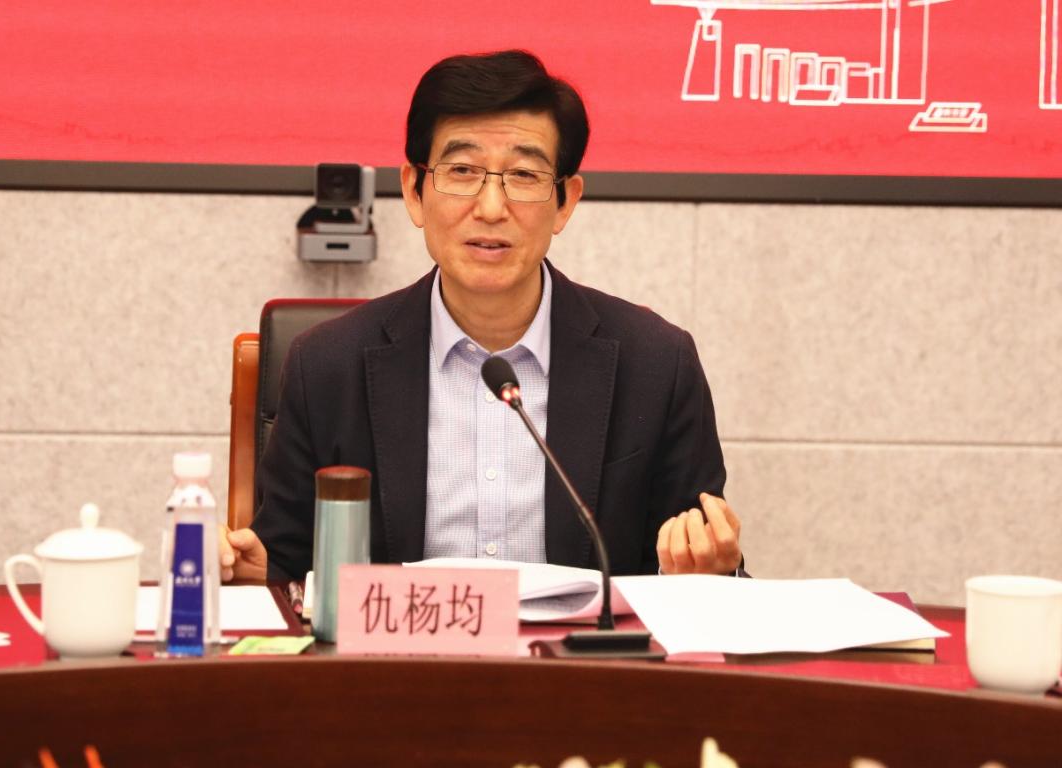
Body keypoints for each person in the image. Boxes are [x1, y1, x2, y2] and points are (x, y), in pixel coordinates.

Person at [221, 49, 742, 583]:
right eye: (462, 171)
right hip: (398, 641)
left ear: (565, 202)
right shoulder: (327, 366)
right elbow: (283, 564)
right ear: (413, 191)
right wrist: (250, 571)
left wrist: (710, 570)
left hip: (581, 642)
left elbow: (703, 567)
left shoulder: (656, 364)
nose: (491, 208)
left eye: (524, 174)